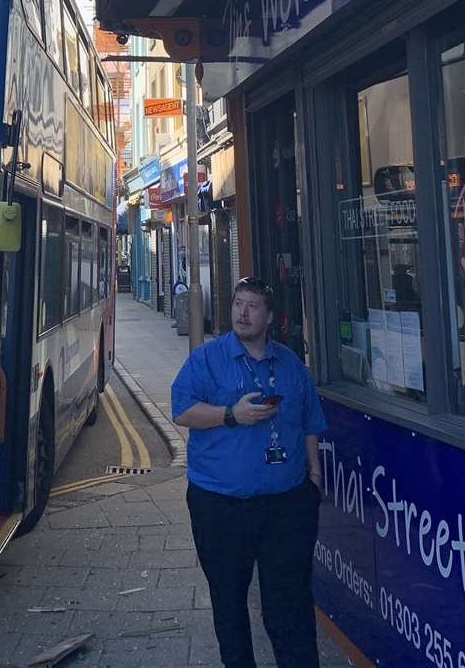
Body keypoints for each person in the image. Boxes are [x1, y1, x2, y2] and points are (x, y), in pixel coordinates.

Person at [171, 276, 327, 668]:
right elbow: (182, 410)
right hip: (221, 506)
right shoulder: (207, 359)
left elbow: (309, 421)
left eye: (253, 305)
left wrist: (315, 475)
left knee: (289, 600)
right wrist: (230, 414)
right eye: (238, 303)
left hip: (285, 505)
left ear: (269, 316)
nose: (242, 312)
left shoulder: (290, 363)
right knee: (229, 600)